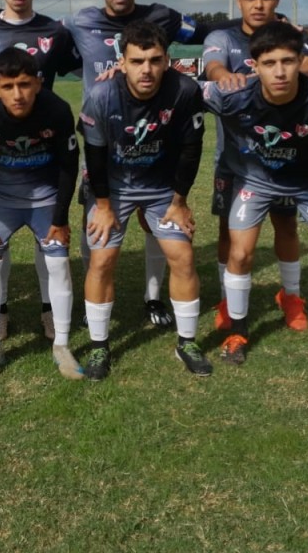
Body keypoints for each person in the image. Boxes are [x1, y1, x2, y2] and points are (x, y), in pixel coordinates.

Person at [201, 22, 308, 371]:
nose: (280, 71)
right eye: (269, 63)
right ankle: (238, 334)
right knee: (239, 253)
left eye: (288, 61)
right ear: (254, 66)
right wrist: (119, 76)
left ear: (301, 60)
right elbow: (178, 92)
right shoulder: (233, 94)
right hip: (255, 181)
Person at [68, 0, 192, 328]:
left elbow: (211, 29)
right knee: (98, 228)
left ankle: (153, 298)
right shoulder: (79, 23)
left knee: (152, 225)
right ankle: (95, 308)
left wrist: (285, 30)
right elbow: (32, 33)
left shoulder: (164, 18)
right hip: (104, 146)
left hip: (154, 147)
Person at [78, 20, 209, 380]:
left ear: (168, 60)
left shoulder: (184, 90)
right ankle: (99, 346)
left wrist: (179, 201)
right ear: (122, 63)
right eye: (137, 61)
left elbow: (190, 148)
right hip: (113, 187)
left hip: (160, 189)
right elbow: (94, 156)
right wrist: (103, 206)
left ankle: (187, 342)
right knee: (102, 260)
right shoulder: (102, 95)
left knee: (182, 255)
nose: (146, 69)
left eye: (154, 60)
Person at [201, 0, 308, 334]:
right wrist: (225, 77)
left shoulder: (294, 36)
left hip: (283, 158)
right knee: (229, 230)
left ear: (277, 0)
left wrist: (264, 76)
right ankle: (227, 298)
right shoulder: (223, 35)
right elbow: (214, 66)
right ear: (239, 0)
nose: (258, 4)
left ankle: (291, 296)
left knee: (285, 224)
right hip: (234, 159)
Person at [0, 0, 78, 340]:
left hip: (44, 154)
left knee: (47, 244)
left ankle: (51, 312)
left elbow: (85, 65)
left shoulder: (57, 32)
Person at [0, 47, 84, 383]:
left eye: (25, 84)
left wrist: (60, 219)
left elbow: (68, 165)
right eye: (8, 86)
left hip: (44, 198)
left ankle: (61, 343)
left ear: (39, 83)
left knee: (58, 261)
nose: (18, 94)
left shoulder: (57, 110)